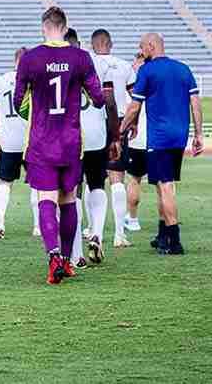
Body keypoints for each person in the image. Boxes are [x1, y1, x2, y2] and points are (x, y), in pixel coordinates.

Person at [13, 7, 114, 285]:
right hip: (71, 142)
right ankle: (67, 262)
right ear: (65, 28)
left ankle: (54, 256)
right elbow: (97, 98)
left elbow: (18, 101)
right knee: (68, 198)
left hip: (41, 141)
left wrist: (35, 116)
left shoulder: (30, 59)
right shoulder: (80, 58)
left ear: (44, 27)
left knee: (46, 199)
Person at [120, 33, 204, 255]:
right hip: (179, 136)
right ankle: (163, 235)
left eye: (142, 47)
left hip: (160, 137)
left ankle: (174, 241)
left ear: (151, 45)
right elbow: (195, 102)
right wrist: (198, 134)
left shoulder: (147, 71)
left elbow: (134, 107)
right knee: (161, 184)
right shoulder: (183, 69)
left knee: (164, 185)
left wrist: (119, 131)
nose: (141, 51)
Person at [0, 47, 39, 239]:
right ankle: (37, 226)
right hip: (32, 139)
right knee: (37, 184)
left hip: (9, 141)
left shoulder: (0, 81)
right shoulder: (36, 79)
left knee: (4, 182)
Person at [90, 29, 136, 248]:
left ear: (92, 45)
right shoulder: (124, 65)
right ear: (111, 43)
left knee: (91, 180)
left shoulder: (86, 63)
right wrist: (132, 122)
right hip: (117, 123)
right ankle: (119, 234)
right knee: (118, 178)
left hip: (92, 123)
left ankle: (91, 229)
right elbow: (135, 96)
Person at [78, 49, 120, 264]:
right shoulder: (100, 64)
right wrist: (115, 137)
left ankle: (75, 254)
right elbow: (110, 102)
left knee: (70, 192)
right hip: (96, 136)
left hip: (69, 136)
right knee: (97, 185)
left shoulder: (55, 61)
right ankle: (97, 233)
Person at [124, 53, 149, 232]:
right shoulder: (157, 85)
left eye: (136, 63)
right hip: (158, 140)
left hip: (137, 141)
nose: (133, 65)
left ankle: (133, 220)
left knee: (134, 180)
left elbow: (129, 112)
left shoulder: (133, 90)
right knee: (165, 183)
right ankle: (167, 221)